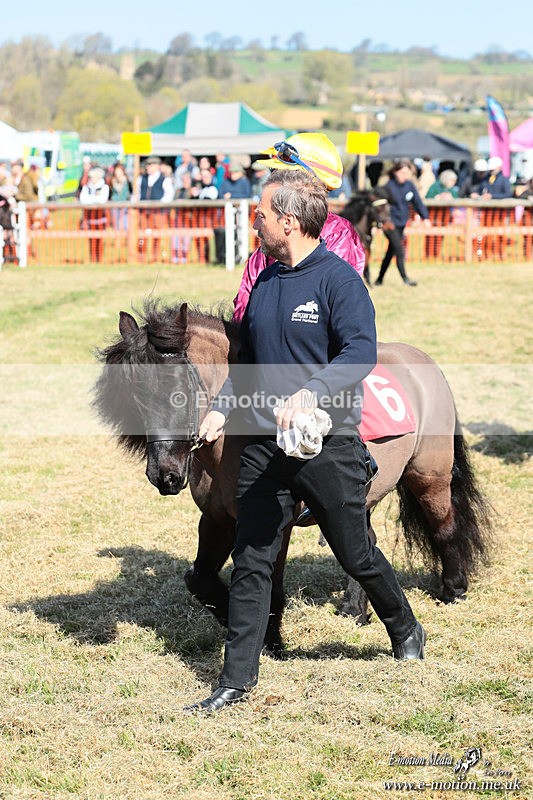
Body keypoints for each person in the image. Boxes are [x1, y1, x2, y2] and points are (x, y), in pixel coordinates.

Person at [185, 170, 426, 714]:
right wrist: (222, 410)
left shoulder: (338, 282)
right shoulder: (265, 281)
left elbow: (360, 353)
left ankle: (405, 627)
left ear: (288, 222)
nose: (256, 223)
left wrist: (313, 393)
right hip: (267, 445)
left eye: (262, 215)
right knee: (251, 558)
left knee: (355, 551)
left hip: (328, 441)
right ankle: (235, 679)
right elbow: (248, 364)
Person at [232, 133, 365, 322]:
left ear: (304, 184)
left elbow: (341, 305)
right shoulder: (270, 230)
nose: (271, 183)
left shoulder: (339, 232)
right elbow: (244, 305)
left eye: (279, 176)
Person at [374, 158, 431, 287]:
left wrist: (425, 217)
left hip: (401, 223)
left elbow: (417, 202)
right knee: (399, 249)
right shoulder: (388, 187)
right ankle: (405, 279)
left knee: (391, 251)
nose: (405, 176)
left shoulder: (409, 185)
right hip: (390, 223)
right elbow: (379, 208)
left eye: (407, 173)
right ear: (395, 172)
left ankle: (379, 279)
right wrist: (378, 224)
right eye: (402, 173)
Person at [135, 156, 174, 262]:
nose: (147, 167)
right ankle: (141, 257)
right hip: (143, 212)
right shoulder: (141, 178)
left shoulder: (165, 179)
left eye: (150, 165)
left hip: (158, 213)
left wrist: (158, 204)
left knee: (157, 235)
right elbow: (137, 194)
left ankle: (155, 257)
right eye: (147, 165)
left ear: (157, 166)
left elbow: (169, 196)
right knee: (142, 235)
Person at [424, 170, 459, 260]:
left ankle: (437, 255)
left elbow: (456, 199)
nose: (453, 183)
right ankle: (429, 255)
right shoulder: (435, 186)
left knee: (441, 236)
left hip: (445, 217)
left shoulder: (452, 189)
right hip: (434, 216)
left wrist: (451, 198)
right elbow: (427, 198)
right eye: (452, 181)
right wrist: (438, 198)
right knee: (432, 236)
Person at [79, 166, 110, 262]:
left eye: (94, 177)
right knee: (91, 239)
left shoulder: (104, 187)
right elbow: (83, 200)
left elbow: (102, 200)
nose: (92, 179)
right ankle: (93, 259)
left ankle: (99, 259)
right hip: (89, 218)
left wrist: (90, 199)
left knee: (99, 239)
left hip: (100, 218)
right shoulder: (86, 187)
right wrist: (94, 200)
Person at [109, 162, 132, 231]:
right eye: (116, 171)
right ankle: (117, 239)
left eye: (119, 171)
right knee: (116, 225)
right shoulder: (112, 181)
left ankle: (125, 239)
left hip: (125, 205)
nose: (118, 173)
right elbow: (110, 194)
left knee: (125, 224)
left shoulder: (127, 181)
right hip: (115, 205)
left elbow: (131, 192)